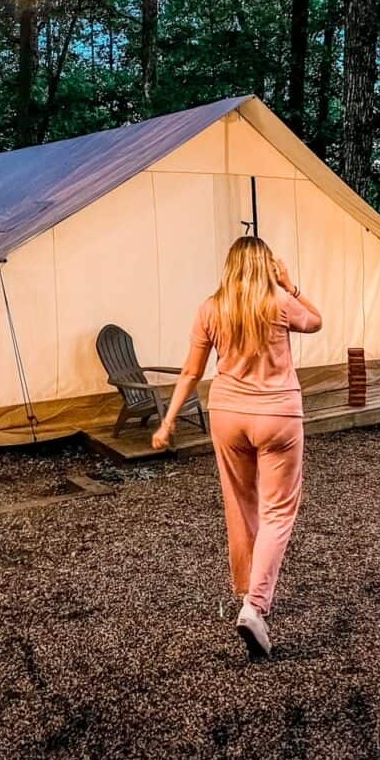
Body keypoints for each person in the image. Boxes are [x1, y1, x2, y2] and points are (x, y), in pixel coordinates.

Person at [151, 236, 322, 658]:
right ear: (266, 266)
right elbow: (316, 322)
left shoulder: (211, 307)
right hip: (278, 417)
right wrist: (291, 284)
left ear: (229, 267)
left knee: (241, 505)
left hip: (227, 416)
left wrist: (168, 420)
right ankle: (255, 605)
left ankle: (249, 589)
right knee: (278, 512)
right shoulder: (278, 301)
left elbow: (191, 372)